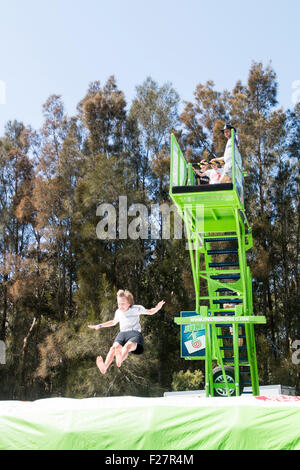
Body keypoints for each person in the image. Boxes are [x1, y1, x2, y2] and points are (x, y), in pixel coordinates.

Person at [88, 289, 165, 374]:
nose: (120, 306)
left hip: (134, 333)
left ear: (129, 303)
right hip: (122, 333)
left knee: (127, 346)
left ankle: (120, 359)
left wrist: (157, 308)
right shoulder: (118, 312)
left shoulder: (136, 308)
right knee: (113, 348)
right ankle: (104, 366)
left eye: (123, 304)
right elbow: (113, 322)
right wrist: (99, 325)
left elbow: (150, 311)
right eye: (119, 304)